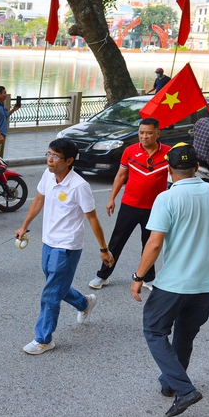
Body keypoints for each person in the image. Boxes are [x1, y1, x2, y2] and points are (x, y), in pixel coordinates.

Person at [131, 143, 209, 417]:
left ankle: (185, 390)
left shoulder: (167, 198)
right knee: (185, 333)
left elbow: (154, 244)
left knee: (154, 330)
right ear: (197, 167)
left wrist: (138, 276)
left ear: (169, 170)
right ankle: (170, 384)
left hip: (175, 284)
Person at [14, 138, 114, 355]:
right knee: (55, 285)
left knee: (50, 294)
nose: (50, 159)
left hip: (67, 246)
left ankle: (44, 339)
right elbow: (39, 200)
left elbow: (93, 218)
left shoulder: (79, 186)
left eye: (55, 156)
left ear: (69, 160)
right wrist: (24, 226)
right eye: (48, 154)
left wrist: (104, 249)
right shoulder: (48, 175)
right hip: (48, 242)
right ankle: (84, 303)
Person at [89, 118, 171, 290]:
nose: (144, 136)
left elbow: (176, 177)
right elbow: (120, 175)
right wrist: (112, 198)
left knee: (149, 243)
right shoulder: (130, 151)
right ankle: (102, 275)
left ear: (158, 133)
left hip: (155, 208)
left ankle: (148, 278)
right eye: (141, 133)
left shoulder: (168, 154)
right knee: (116, 242)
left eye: (149, 133)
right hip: (130, 205)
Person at [0, 86, 21, 158]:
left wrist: (14, 109)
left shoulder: (2, 105)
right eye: (4, 93)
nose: (6, 95)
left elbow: (6, 115)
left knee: (0, 155)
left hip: (2, 134)